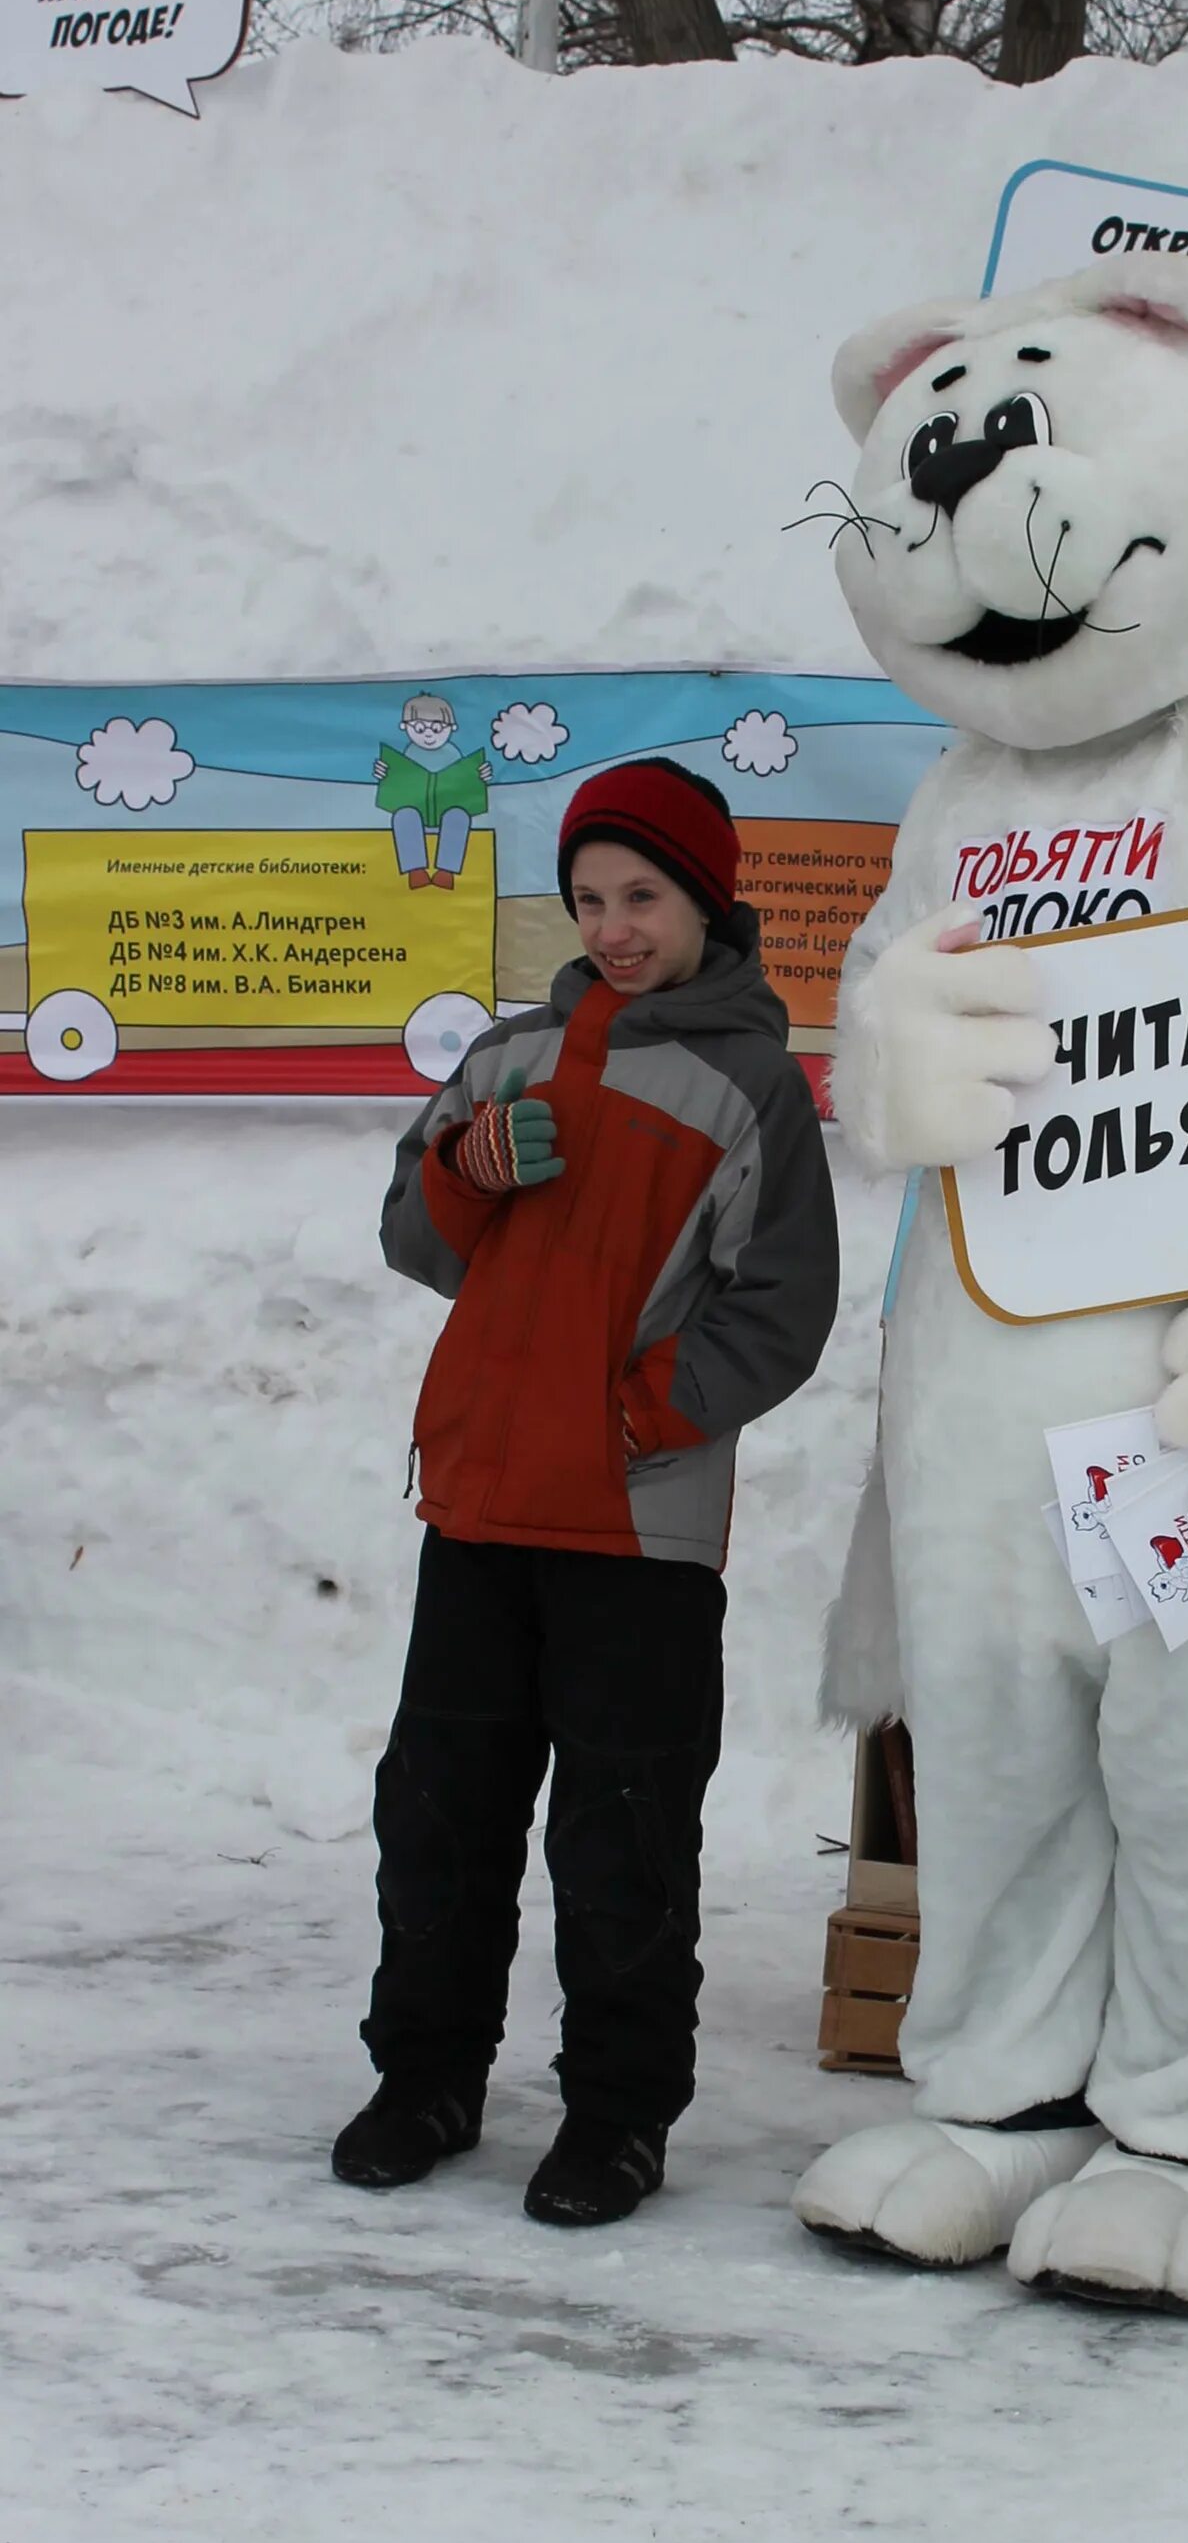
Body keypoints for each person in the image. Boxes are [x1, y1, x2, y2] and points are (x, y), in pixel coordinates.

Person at [333, 758, 839, 2226]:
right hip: (481, 1513)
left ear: (704, 903)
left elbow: (781, 1304)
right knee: (439, 1813)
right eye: (590, 899)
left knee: (623, 1834)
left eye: (645, 898)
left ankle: (618, 2116)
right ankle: (426, 2077)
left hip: (636, 1530)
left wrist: (639, 1415)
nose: (615, 927)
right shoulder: (507, 1057)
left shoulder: (752, 1084)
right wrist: (467, 1168)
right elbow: (415, 1240)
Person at [374, 693, 491, 890]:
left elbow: (467, 781)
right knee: (403, 816)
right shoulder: (410, 752)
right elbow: (398, 783)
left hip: (447, 808)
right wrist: (383, 772)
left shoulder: (453, 753)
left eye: (437, 728)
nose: (428, 734)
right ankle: (415, 871)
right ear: (405, 727)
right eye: (419, 728)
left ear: (451, 728)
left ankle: (446, 871)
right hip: (415, 808)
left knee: (459, 817)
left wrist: (482, 776)